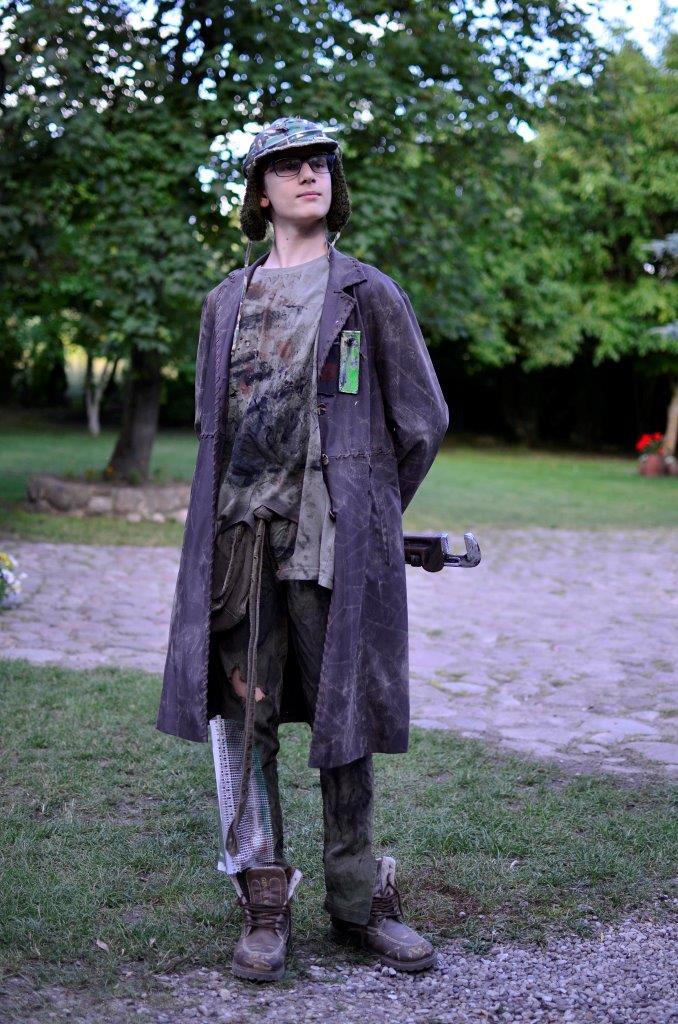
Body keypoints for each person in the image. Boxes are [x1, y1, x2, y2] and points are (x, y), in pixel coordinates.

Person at [156, 116, 449, 983]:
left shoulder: (369, 294)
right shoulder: (226, 301)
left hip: (332, 547)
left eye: (319, 161)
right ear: (260, 192)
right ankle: (263, 902)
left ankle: (357, 902)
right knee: (242, 719)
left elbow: (423, 421)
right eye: (287, 166)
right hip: (239, 546)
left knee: (341, 716)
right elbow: (211, 424)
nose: (308, 173)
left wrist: (367, 511)